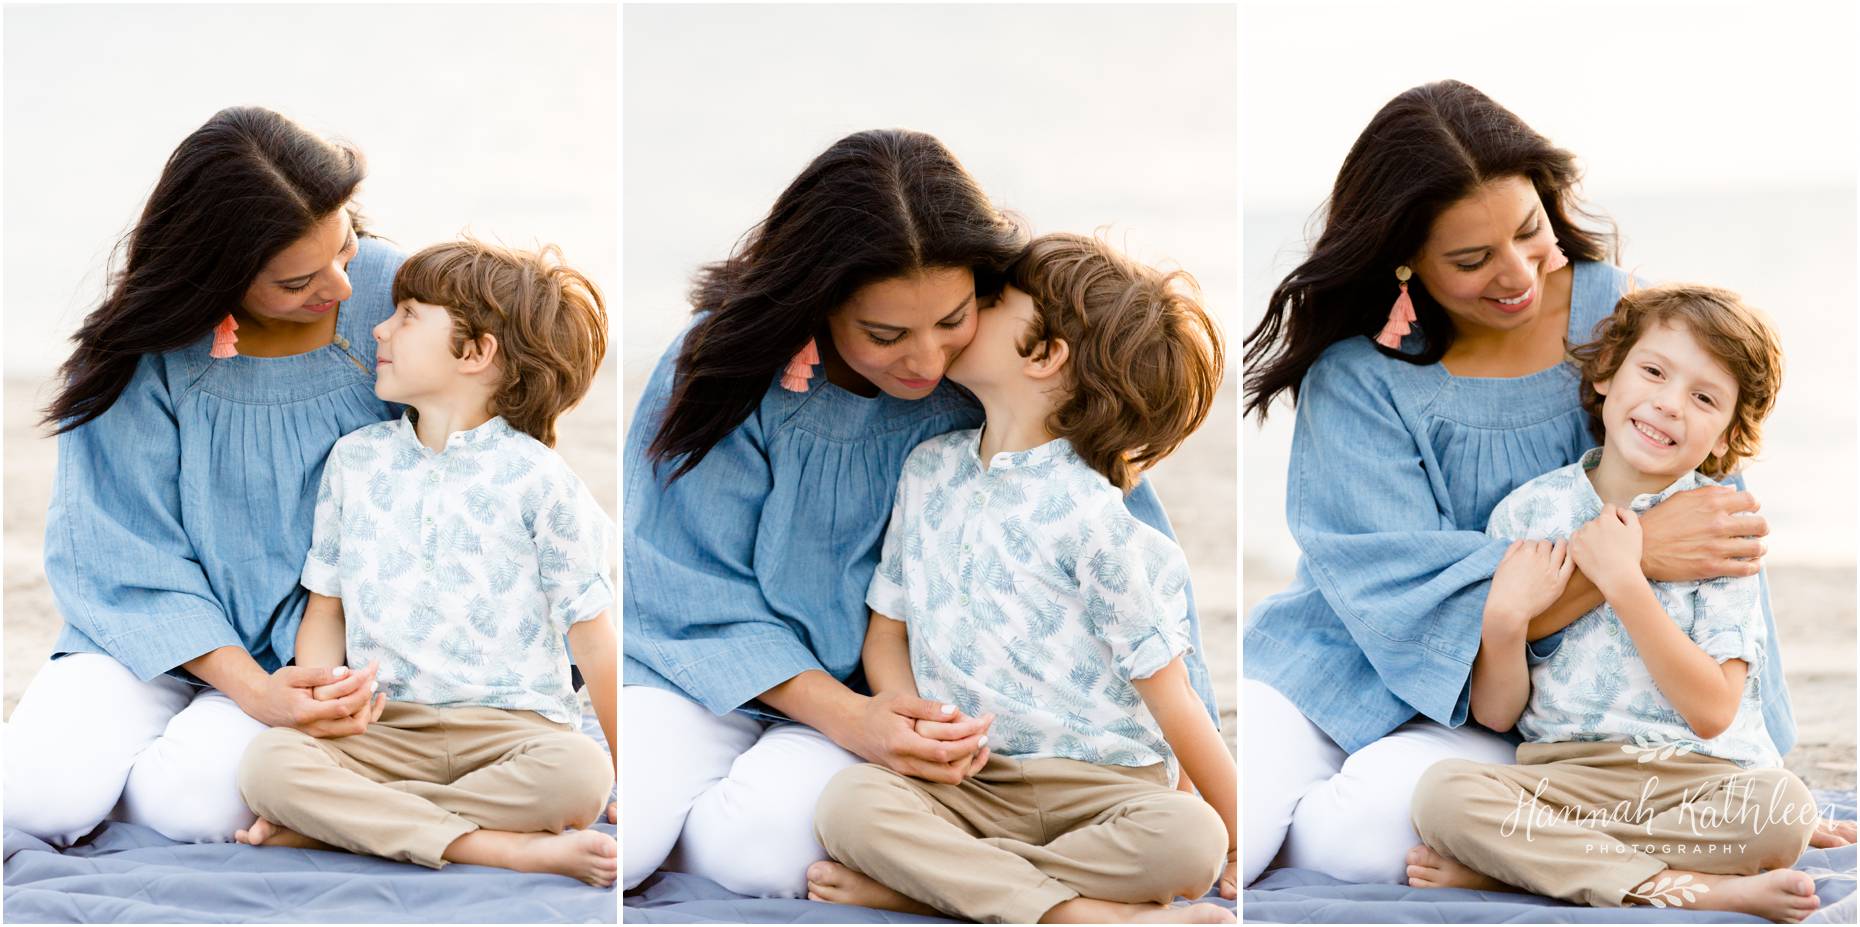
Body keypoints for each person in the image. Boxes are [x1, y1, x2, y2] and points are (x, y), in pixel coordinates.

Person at [624, 129, 1223, 897]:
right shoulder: (721, 367)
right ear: (817, 300)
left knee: (767, 857)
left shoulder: (1003, 379)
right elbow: (684, 590)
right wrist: (846, 715)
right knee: (631, 839)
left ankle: (1008, 894)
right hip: (704, 675)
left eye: (952, 320)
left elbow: (1137, 577)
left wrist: (1187, 784)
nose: (927, 361)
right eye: (886, 334)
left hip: (890, 709)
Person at [1239, 80, 1795, 886]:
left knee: (1356, 846)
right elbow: (1403, 595)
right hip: (1338, 661)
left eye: (1530, 231)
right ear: (1405, 260)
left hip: (1514, 703)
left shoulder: (1617, 323)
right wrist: (1638, 557)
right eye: (1472, 259)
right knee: (1240, 824)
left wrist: (1747, 758)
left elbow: (1709, 520)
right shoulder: (1356, 378)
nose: (1518, 274)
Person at [808, 234, 1235, 924]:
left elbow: (1173, 693)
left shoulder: (1092, 512)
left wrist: (1236, 834)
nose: (967, 312)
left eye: (993, 300)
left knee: (1192, 840)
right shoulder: (928, 469)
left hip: (1102, 787)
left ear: (1044, 353)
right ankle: (1083, 914)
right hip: (972, 782)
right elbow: (887, 633)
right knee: (847, 805)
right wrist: (920, 726)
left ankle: (934, 890)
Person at [6, 107, 400, 846]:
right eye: (297, 280)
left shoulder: (399, 296)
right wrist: (251, 692)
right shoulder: (143, 343)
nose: (342, 287)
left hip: (312, 647)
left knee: (190, 806)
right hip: (149, 637)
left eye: (346, 244)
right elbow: (121, 547)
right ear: (214, 275)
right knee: (35, 801)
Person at [1406, 284, 1852, 921]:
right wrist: (1503, 622)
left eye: (1704, 399)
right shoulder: (1530, 512)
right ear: (1609, 376)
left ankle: (1528, 870)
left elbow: (1712, 710)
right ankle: (1694, 886)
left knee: (1784, 814)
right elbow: (1499, 714)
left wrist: (1625, 580)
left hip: (1697, 780)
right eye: (1653, 372)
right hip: (1569, 781)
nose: (1670, 405)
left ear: (1727, 437)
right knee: (1442, 797)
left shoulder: (1721, 527)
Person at [233, 239, 617, 885]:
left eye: (409, 314)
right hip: (385, 726)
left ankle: (348, 827)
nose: (380, 327)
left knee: (579, 773)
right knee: (268, 765)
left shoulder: (540, 480)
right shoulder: (355, 460)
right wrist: (324, 700)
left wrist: (625, 773)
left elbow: (594, 637)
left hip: (511, 730)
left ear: (476, 351)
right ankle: (497, 846)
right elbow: (326, 606)